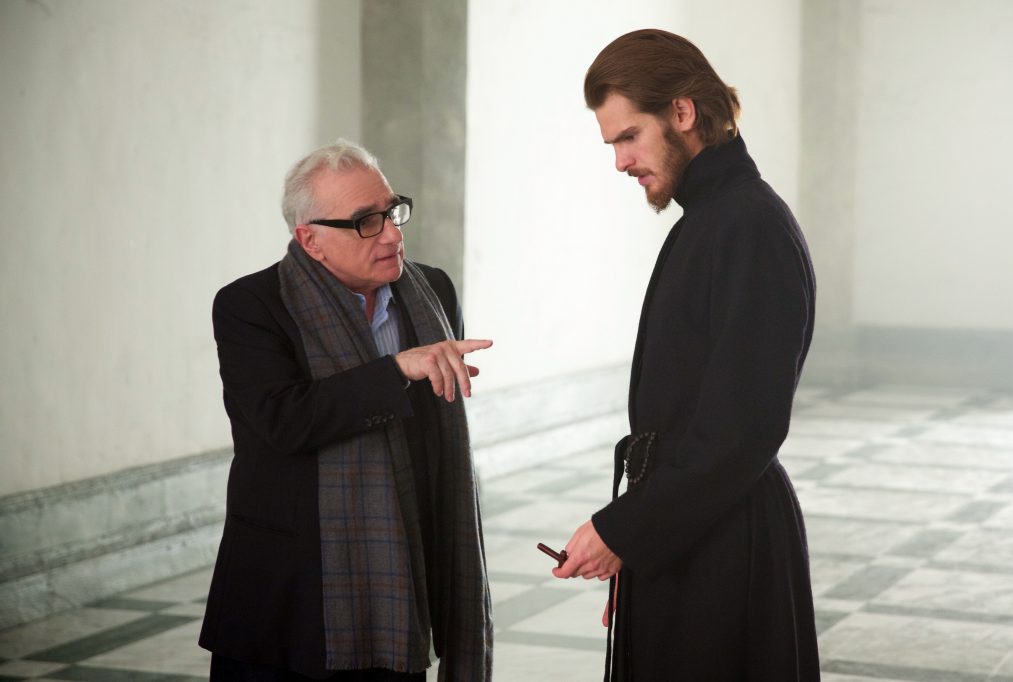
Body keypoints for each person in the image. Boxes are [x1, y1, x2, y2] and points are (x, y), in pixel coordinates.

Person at [552, 29, 820, 680]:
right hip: (691, 530)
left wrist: (625, 530)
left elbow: (742, 430)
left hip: (728, 544)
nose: (620, 161)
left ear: (682, 112)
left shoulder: (747, 226)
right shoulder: (711, 218)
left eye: (628, 137)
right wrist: (643, 543)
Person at [199, 139, 493, 681]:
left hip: (401, 575)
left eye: (391, 211)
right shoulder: (250, 306)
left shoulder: (433, 290)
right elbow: (284, 422)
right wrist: (395, 371)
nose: (391, 233)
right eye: (364, 222)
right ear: (309, 240)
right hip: (290, 592)